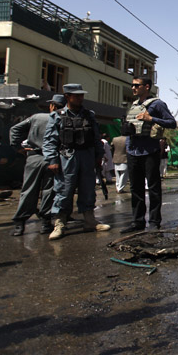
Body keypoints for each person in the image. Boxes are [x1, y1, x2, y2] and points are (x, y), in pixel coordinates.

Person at [42, 84, 111, 240]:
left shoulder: (89, 115)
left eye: (81, 95)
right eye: (76, 95)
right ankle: (59, 224)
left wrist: (99, 155)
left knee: (88, 189)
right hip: (66, 157)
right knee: (63, 191)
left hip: (87, 156)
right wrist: (52, 160)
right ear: (67, 96)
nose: (80, 98)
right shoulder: (57, 116)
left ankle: (90, 220)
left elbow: (96, 138)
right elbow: (49, 140)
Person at [119, 77, 177, 234]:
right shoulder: (134, 105)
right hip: (133, 151)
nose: (133, 88)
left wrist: (151, 118)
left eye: (136, 85)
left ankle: (154, 222)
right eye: (131, 85)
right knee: (136, 188)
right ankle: (137, 222)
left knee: (153, 187)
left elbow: (172, 123)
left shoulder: (157, 104)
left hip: (149, 151)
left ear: (146, 87)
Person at [8, 94, 65, 236]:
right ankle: (45, 223)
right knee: (49, 191)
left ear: (52, 105)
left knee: (28, 190)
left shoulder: (37, 117)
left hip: (34, 157)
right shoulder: (64, 120)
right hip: (53, 160)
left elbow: (14, 129)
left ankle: (20, 223)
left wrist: (18, 148)